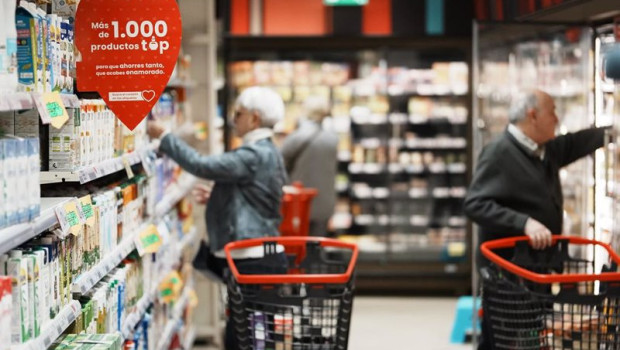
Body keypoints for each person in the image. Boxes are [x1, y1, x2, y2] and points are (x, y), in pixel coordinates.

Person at [464, 89, 607, 349]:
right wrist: (523, 223)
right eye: (551, 111)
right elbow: (475, 204)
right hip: (507, 273)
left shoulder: (543, 149)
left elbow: (574, 143)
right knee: (502, 339)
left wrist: (611, 132)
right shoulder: (499, 153)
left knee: (530, 337)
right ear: (533, 116)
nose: (557, 117)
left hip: (536, 269)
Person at [147, 86, 288, 349]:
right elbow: (254, 194)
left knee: (244, 335)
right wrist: (219, 197)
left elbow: (203, 166)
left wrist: (165, 137)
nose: (234, 119)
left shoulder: (254, 154)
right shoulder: (266, 150)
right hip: (258, 255)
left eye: (239, 113)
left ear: (255, 118)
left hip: (252, 257)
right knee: (251, 332)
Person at [280, 96, 338, 236]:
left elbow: (280, 164)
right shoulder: (332, 138)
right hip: (324, 203)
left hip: (299, 203)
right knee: (317, 245)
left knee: (297, 247)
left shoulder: (296, 137)